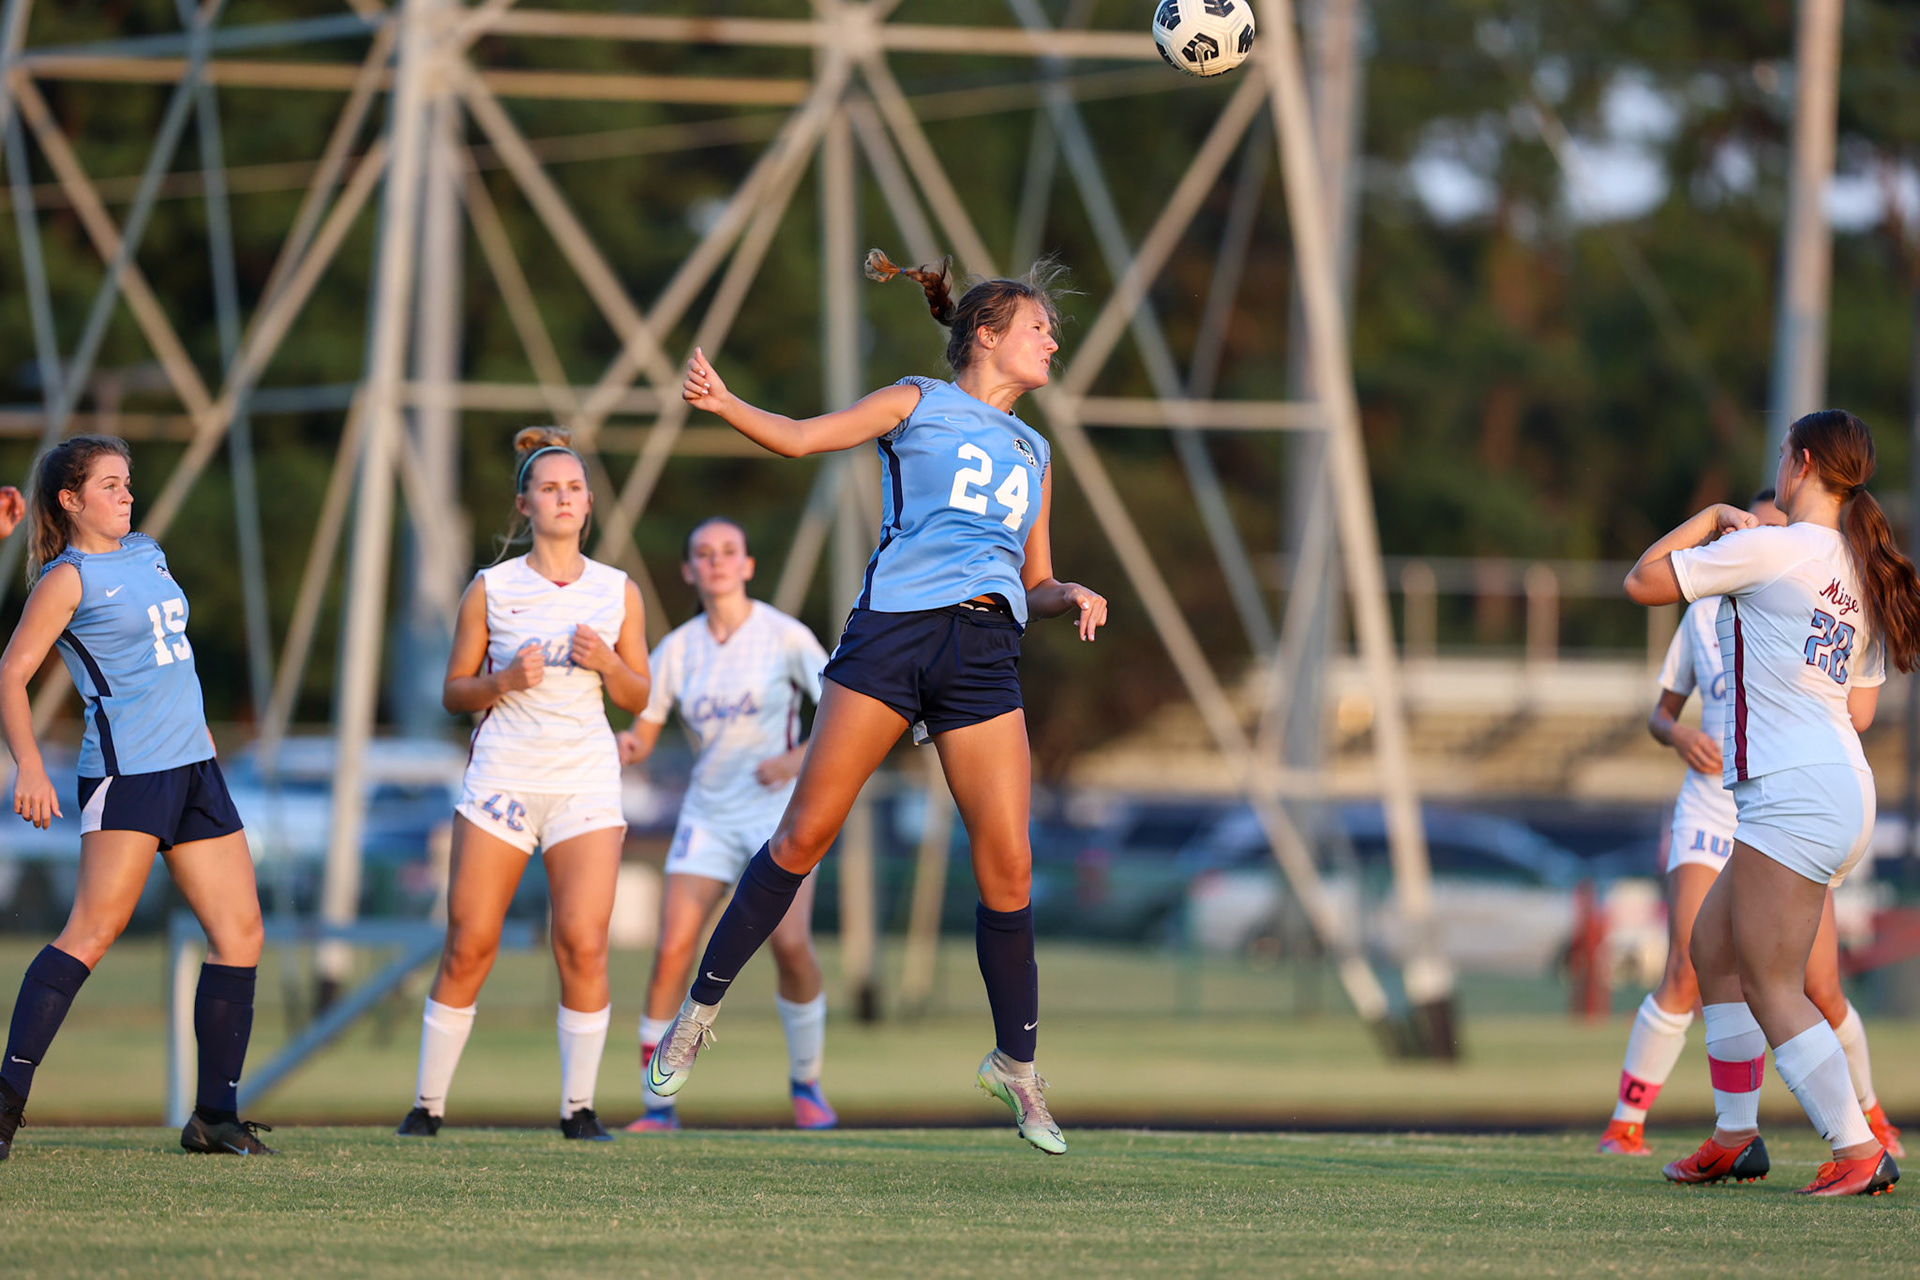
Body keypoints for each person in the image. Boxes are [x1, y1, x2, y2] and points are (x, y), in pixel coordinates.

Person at [643, 249, 1108, 1155]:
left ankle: (1016, 1069)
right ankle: (697, 1013)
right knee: (804, 836)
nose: (1054, 340)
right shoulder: (917, 401)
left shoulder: (1036, 450)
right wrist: (727, 403)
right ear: (986, 334)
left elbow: (1036, 577)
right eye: (1038, 326)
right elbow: (804, 435)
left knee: (1008, 864)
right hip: (894, 635)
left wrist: (1071, 593)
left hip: (983, 648)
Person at [1624, 409, 1920, 1197]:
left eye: (1786, 453)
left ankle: (1857, 1150)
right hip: (1837, 786)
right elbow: (1858, 712)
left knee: (1771, 984)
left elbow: (1643, 580)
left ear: (1803, 463)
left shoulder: (1772, 544)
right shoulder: (1856, 566)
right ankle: (1733, 1136)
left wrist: (1711, 520)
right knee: (1713, 951)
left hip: (1792, 795)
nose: (1779, 464)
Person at [0, 437, 270, 1158]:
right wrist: (28, 765)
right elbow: (11, 673)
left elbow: (167, 660)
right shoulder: (68, 578)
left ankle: (215, 1117)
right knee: (91, 933)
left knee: (241, 934)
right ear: (70, 499)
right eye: (111, 485)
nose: (126, 495)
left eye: (128, 482)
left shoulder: (148, 551)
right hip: (131, 773)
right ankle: (5, 1105)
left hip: (196, 769)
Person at [395, 427, 650, 1142]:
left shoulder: (616, 590)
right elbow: (452, 692)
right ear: (525, 504)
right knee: (471, 941)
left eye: (574, 488)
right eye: (549, 488)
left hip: (585, 783)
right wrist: (502, 681)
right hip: (503, 778)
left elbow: (640, 691)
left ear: (589, 504)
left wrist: (606, 662)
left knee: (581, 941)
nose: (563, 498)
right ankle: (427, 1107)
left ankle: (579, 1110)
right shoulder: (492, 588)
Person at [617, 517, 835, 1133]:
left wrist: (797, 759)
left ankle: (807, 1084)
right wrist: (609, 745)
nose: (716, 561)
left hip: (779, 816)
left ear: (747, 566)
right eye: (703, 554)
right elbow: (642, 736)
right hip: (708, 816)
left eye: (728, 552)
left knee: (791, 947)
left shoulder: (784, 636)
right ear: (689, 570)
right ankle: (657, 1104)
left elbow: (845, 706)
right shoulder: (678, 649)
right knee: (671, 950)